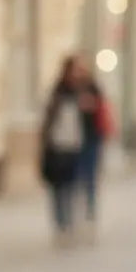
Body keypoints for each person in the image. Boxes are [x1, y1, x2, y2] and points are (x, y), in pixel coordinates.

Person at [39, 55, 85, 244]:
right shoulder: (57, 93)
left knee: (72, 186)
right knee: (58, 187)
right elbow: (48, 120)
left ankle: (70, 221)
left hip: (74, 145)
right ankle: (61, 222)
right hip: (57, 145)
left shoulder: (82, 91)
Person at [73, 55, 113, 232]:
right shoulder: (67, 88)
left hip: (91, 138)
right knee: (74, 176)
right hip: (71, 140)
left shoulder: (93, 87)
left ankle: (90, 208)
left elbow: (102, 109)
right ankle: (75, 209)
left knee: (89, 175)